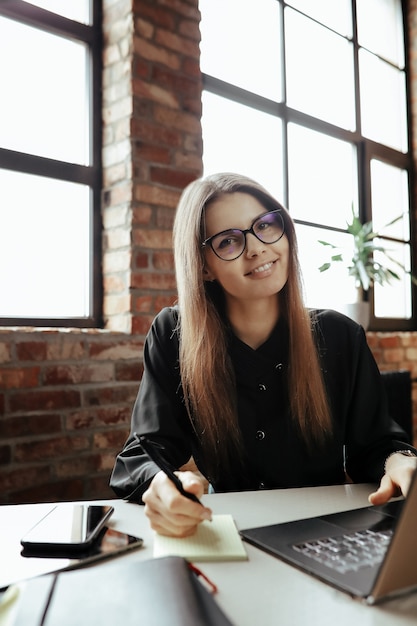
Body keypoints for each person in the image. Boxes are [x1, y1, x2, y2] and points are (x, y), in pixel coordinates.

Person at [110, 172, 417, 537]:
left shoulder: (340, 335)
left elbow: (377, 445)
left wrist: (400, 463)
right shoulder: (174, 335)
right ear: (204, 266)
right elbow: (143, 452)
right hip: (232, 534)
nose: (256, 247)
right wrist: (160, 484)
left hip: (329, 534)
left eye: (266, 226)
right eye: (228, 241)